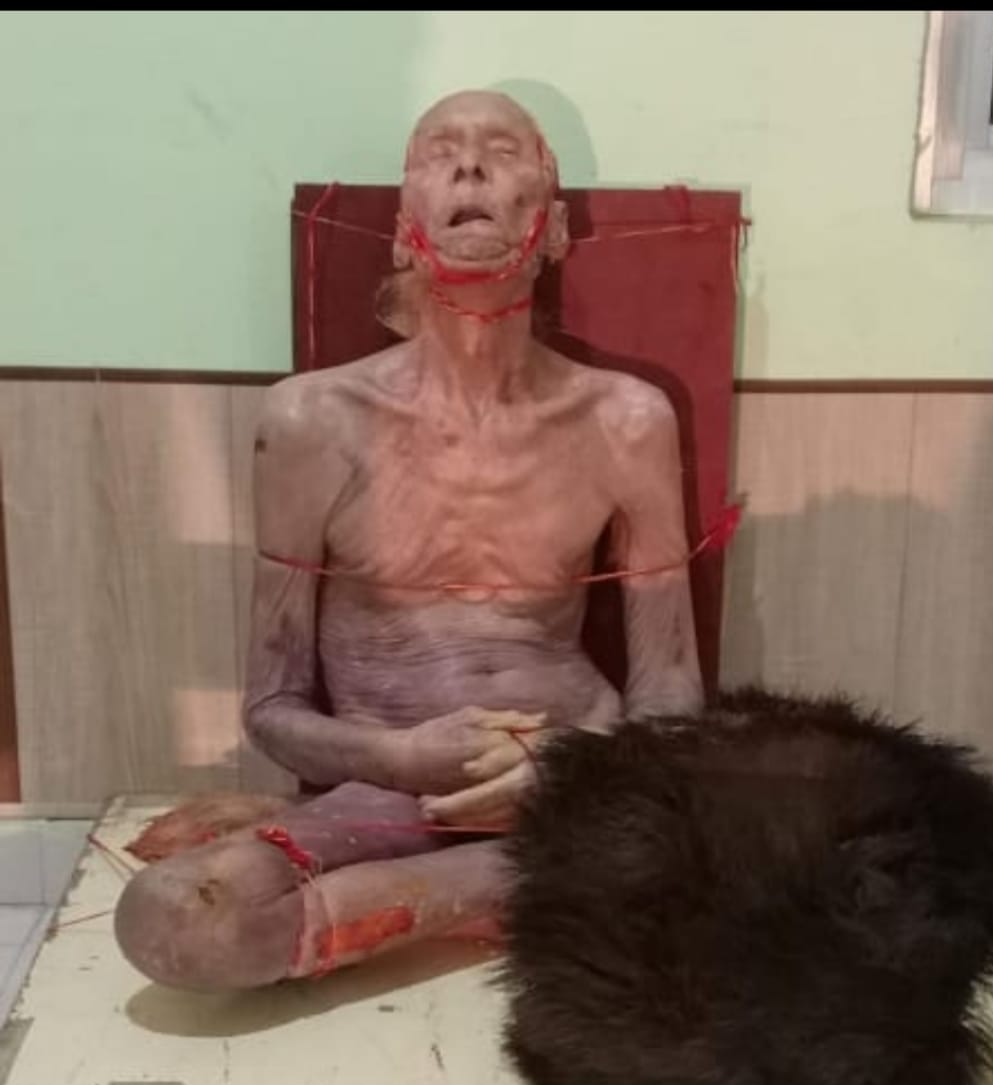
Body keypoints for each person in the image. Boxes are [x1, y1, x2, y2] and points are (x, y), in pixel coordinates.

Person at [114, 90, 704, 991]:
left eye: (501, 150)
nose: (469, 167)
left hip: (575, 783)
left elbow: (669, 694)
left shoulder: (626, 420)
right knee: (171, 920)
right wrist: (399, 757)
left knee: (698, 855)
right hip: (385, 793)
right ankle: (521, 891)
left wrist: (568, 765)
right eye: (440, 151)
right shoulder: (312, 420)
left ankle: (444, 893)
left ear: (552, 229)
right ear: (401, 233)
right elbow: (271, 706)